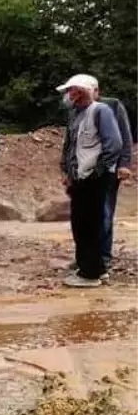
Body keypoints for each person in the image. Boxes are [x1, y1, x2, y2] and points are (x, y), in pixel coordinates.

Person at [58, 74, 123, 288]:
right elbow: (71, 146)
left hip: (94, 179)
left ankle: (90, 273)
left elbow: (113, 144)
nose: (68, 95)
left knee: (91, 225)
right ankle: (90, 266)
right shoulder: (76, 114)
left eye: (71, 91)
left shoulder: (100, 111)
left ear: (82, 91)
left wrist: (98, 172)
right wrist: (67, 171)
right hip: (80, 179)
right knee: (81, 224)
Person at [92, 81, 133, 272]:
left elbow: (124, 137)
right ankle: (88, 255)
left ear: (96, 91)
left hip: (108, 170)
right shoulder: (77, 110)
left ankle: (103, 257)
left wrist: (124, 164)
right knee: (86, 216)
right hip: (84, 171)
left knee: (104, 212)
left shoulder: (113, 106)